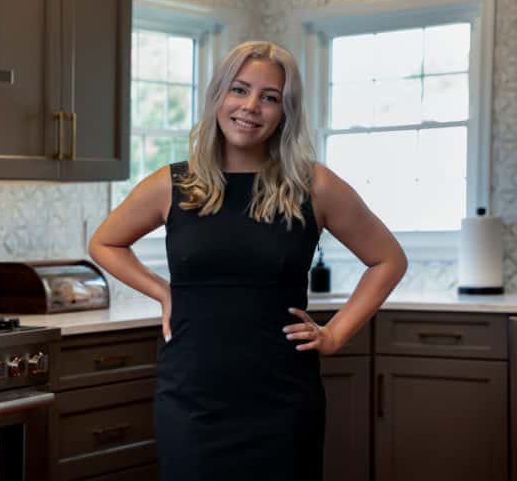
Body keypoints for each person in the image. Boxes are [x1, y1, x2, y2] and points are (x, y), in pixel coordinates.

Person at [88, 40, 407, 481]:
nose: (251, 106)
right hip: (192, 398)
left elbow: (388, 259)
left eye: (270, 97)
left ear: (285, 112)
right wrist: (163, 293)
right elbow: (105, 243)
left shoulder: (314, 186)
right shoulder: (173, 185)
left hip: (282, 400)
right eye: (239, 90)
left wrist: (335, 335)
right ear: (219, 95)